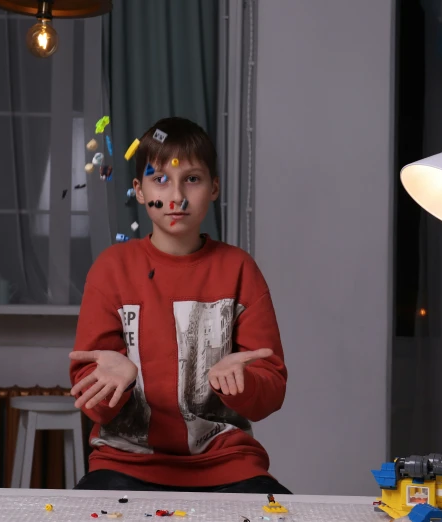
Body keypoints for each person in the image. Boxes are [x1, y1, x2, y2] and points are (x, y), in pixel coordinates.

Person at [68, 116, 290, 494]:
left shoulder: (239, 269)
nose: (176, 196)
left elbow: (270, 391)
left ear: (214, 187)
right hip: (124, 464)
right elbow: (92, 401)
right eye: (160, 179)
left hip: (228, 465)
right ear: (139, 191)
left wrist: (243, 382)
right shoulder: (111, 269)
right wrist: (115, 385)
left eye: (192, 179)